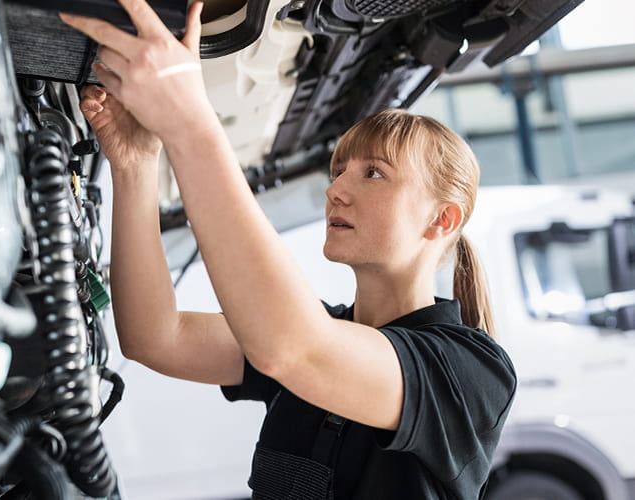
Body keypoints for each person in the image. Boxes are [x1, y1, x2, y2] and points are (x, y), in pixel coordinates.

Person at [61, 1, 516, 498]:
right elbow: (156, 337)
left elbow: (295, 350)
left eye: (374, 173)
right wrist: (136, 165)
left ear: (442, 219)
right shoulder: (312, 330)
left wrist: (189, 121)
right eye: (338, 170)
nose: (336, 189)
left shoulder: (470, 372)